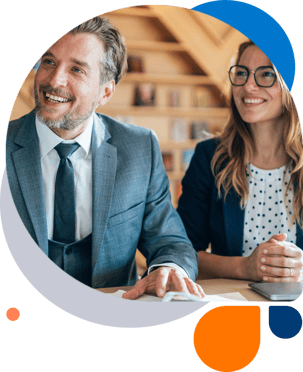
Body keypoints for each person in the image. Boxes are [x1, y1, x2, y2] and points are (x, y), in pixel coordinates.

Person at [5, 16, 204, 300]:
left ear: (105, 91)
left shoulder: (139, 147)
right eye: (48, 61)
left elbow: (169, 240)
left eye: (76, 69)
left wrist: (170, 267)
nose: (54, 79)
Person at [177, 40, 303, 283]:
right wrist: (243, 268)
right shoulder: (209, 157)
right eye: (241, 73)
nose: (249, 86)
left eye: (267, 74)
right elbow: (180, 252)